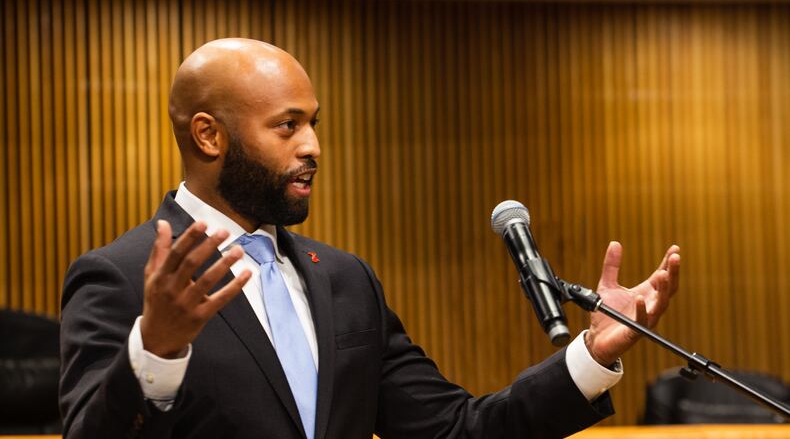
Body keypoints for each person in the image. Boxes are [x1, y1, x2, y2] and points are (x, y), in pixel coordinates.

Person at [59, 38, 681, 439]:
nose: (313, 146)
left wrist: (591, 357)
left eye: (314, 123)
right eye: (287, 126)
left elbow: (454, 429)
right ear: (208, 136)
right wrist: (156, 351)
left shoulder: (344, 280)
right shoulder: (120, 276)